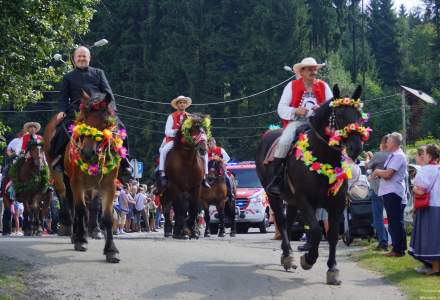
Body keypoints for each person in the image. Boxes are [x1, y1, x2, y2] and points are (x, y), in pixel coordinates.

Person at [50, 46, 129, 173]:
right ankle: (59, 159)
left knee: (121, 127)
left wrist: (112, 109)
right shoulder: (68, 77)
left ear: (89, 58)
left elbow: (108, 92)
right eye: (79, 56)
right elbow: (63, 97)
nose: (82, 58)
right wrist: (61, 110)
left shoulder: (99, 73)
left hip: (99, 111)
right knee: (60, 131)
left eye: (84, 56)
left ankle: (125, 160)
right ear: (74, 59)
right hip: (77, 112)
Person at [267, 57, 333, 195]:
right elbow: (281, 108)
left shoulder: (324, 86)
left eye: (315, 69)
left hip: (319, 125)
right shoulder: (291, 86)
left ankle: (340, 175)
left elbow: (332, 106)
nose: (313, 71)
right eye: (310, 69)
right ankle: (277, 178)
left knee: (337, 140)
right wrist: (295, 110)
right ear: (301, 71)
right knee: (285, 141)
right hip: (297, 122)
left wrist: (320, 109)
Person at [157, 95, 210, 189]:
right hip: (174, 140)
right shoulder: (171, 116)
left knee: (204, 153)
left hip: (188, 140)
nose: (182, 104)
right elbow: (167, 131)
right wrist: (179, 133)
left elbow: (194, 130)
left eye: (184, 103)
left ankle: (204, 177)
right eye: (180, 103)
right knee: (164, 150)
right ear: (177, 105)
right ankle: (162, 173)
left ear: (186, 105)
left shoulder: (190, 117)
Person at [373, 132, 408, 257]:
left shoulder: (398, 156)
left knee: (395, 221)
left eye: (388, 141)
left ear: (393, 142)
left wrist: (377, 171)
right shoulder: (392, 155)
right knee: (395, 221)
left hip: (393, 192)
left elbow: (388, 174)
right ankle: (399, 248)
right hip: (389, 191)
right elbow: (386, 173)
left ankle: (398, 250)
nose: (386, 143)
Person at [409, 144, 440, 275]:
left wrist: (414, 188)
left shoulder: (425, 170)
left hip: (430, 207)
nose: (422, 156)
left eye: (424, 153)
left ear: (429, 155)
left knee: (431, 238)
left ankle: (434, 269)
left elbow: (421, 192)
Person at [366, 135, 390, 251]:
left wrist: (368, 157)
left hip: (377, 189)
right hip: (391, 189)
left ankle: (383, 242)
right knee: (392, 216)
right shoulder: (394, 155)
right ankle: (393, 241)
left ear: (382, 143)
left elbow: (367, 165)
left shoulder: (379, 155)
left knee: (378, 217)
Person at [207, 137, 234, 202]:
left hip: (220, 169)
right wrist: (210, 159)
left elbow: (227, 158)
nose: (210, 145)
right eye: (209, 144)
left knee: (227, 178)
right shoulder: (207, 152)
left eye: (211, 143)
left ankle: (230, 194)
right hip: (210, 170)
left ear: (214, 143)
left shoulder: (220, 150)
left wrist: (220, 159)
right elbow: (205, 160)